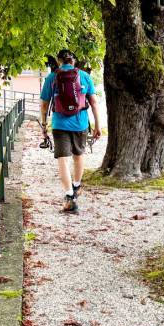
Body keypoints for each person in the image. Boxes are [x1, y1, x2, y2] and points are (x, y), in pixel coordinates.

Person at [39, 49, 101, 214]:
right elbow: (94, 102)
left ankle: (68, 197)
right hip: (80, 124)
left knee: (62, 159)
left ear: (59, 61)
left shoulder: (52, 77)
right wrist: (97, 125)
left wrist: (44, 126)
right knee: (78, 155)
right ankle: (77, 185)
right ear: (74, 61)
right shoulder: (84, 76)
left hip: (59, 124)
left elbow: (44, 104)